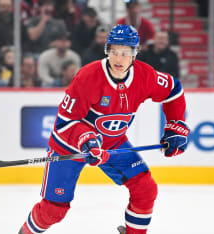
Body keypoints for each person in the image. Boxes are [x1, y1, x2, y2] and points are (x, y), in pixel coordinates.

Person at [18, 24, 189, 234]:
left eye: (125, 53)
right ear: (107, 50)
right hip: (70, 146)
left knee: (146, 189)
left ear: (135, 54)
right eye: (115, 51)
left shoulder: (145, 76)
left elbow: (174, 90)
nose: (119, 59)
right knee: (54, 211)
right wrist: (87, 140)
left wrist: (175, 126)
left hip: (112, 144)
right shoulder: (87, 78)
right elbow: (65, 123)